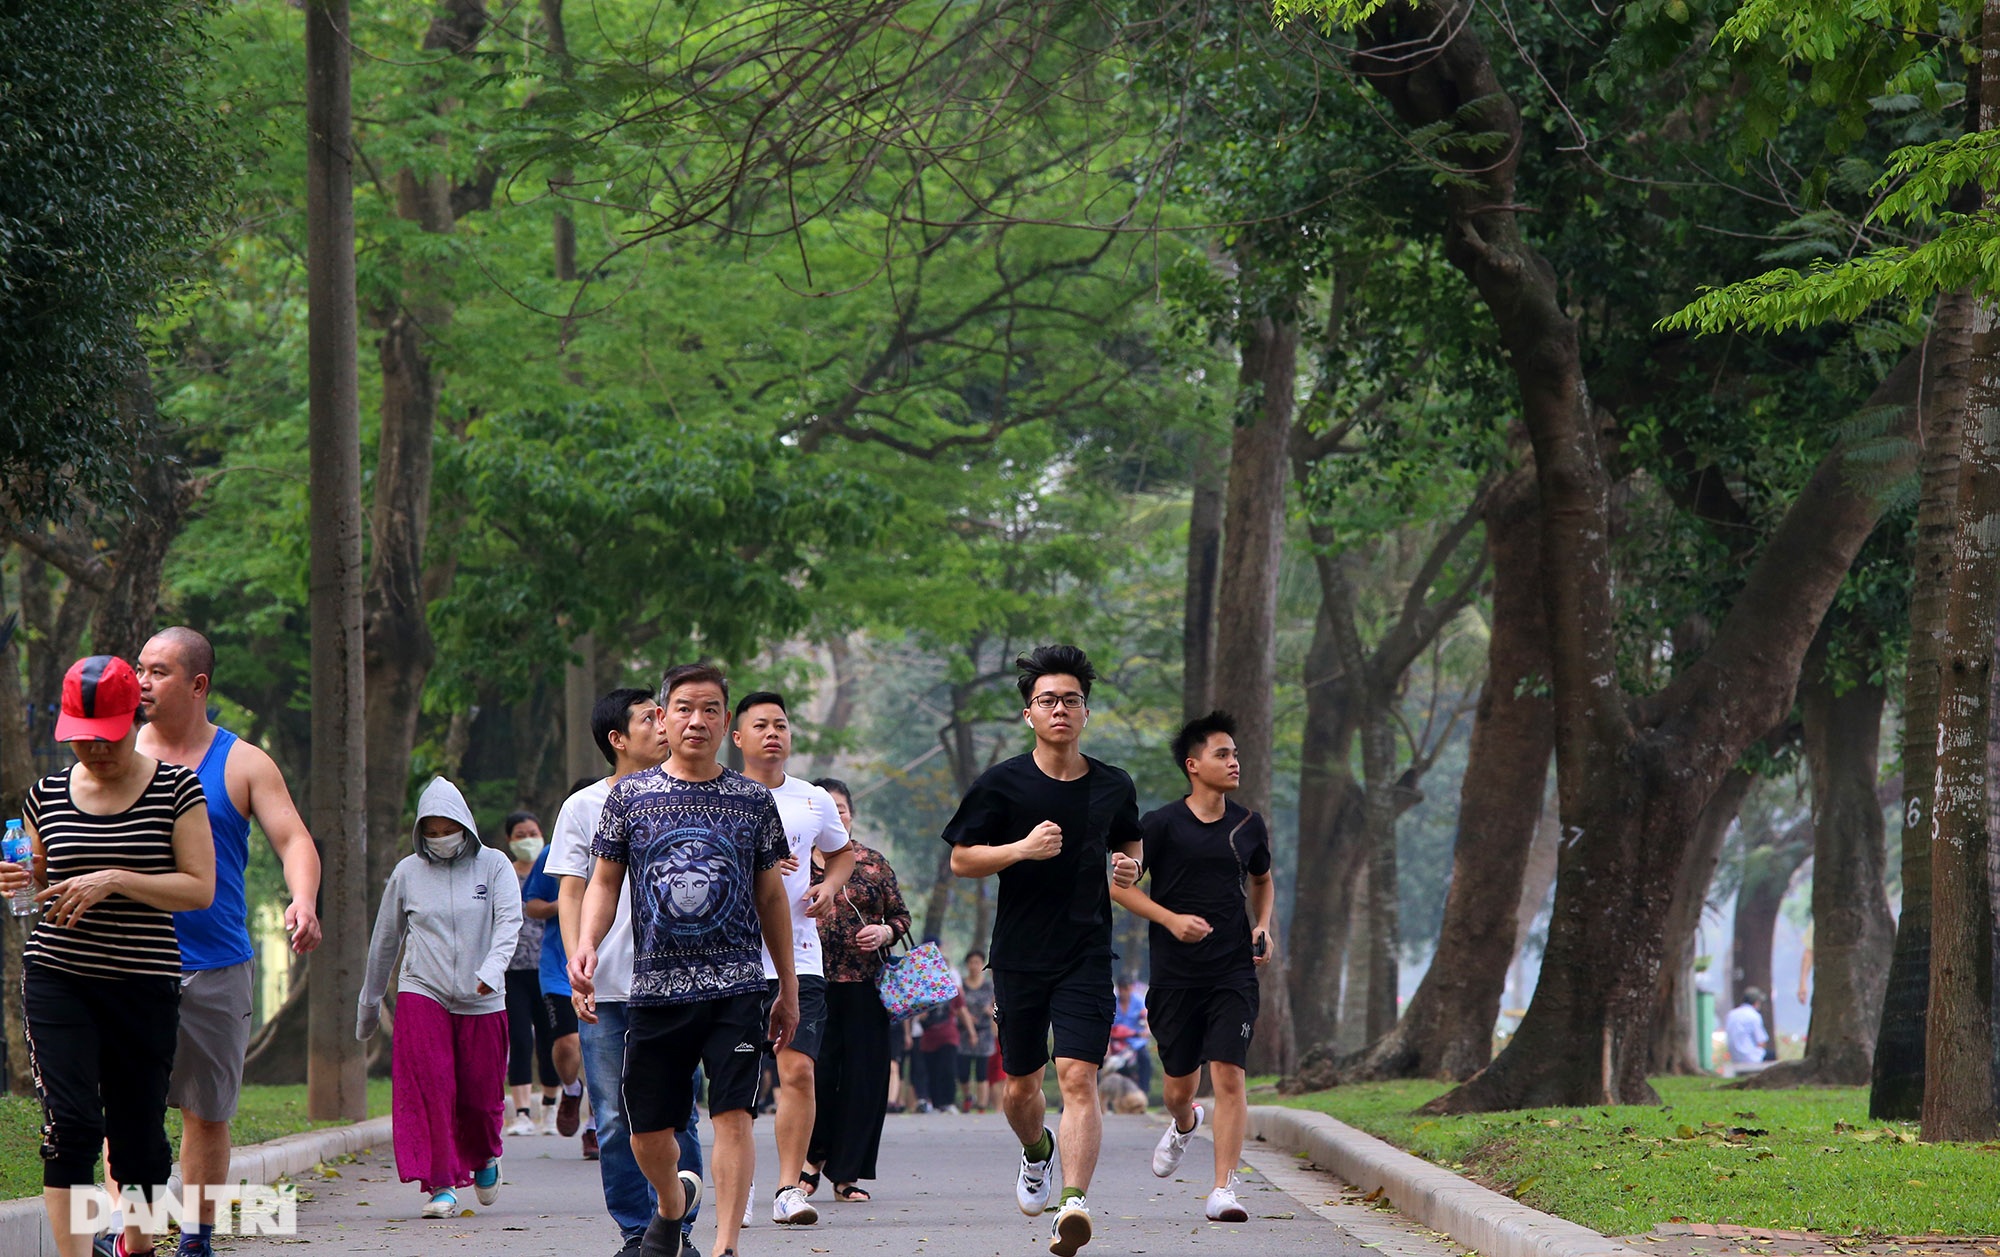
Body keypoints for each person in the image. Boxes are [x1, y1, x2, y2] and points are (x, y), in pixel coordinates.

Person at [571, 664, 800, 1257]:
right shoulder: (629, 797)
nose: (697, 721)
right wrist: (588, 942)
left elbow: (771, 896)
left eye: (710, 710)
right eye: (683, 709)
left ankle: (725, 1246)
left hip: (737, 988)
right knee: (646, 1131)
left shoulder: (752, 800)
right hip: (654, 990)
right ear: (664, 718)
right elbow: (602, 882)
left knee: (732, 1116)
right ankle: (672, 1205)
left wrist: (787, 986)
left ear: (726, 721)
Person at [0, 656, 216, 1257]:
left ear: (132, 719)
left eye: (106, 737)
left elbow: (200, 887)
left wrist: (117, 878)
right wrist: (19, 877)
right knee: (70, 1126)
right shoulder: (43, 796)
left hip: (143, 981)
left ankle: (136, 1245)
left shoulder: (177, 788)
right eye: (80, 739)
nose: (93, 750)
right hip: (60, 977)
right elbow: (38, 875)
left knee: (139, 1133)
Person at [941, 644, 1142, 1257]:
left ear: (1086, 712)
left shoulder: (1113, 784)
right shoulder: (1001, 784)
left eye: (1071, 700)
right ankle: (1036, 1152)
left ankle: (1074, 1202)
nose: (1060, 709)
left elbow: (1131, 844)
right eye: (1047, 700)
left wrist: (1132, 868)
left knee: (1078, 1075)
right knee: (1021, 1086)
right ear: (1029, 713)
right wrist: (1020, 850)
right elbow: (961, 858)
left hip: (1086, 952)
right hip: (1020, 956)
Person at [131, 628, 321, 1257]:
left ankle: (196, 1239)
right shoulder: (120, 752)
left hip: (216, 967)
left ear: (197, 685)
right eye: (139, 669)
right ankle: (129, 1237)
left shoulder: (242, 762)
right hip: (130, 963)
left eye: (158, 672)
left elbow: (293, 839)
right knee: (127, 1113)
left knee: (206, 1114)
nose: (142, 682)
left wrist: (303, 899)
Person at [552, 695, 708, 1257]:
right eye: (650, 718)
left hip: (676, 985)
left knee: (679, 1113)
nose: (665, 725)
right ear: (617, 738)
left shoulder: (696, 794)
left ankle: (678, 1229)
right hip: (610, 986)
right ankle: (637, 1231)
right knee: (615, 1117)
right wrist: (578, 963)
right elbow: (572, 890)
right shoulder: (583, 806)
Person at [1110, 711, 1274, 1223]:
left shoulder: (1248, 824)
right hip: (1176, 975)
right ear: (1193, 765)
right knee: (1180, 1087)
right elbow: (1121, 887)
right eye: (1222, 754)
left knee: (1229, 1073)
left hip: (1232, 971)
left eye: (1235, 753)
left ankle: (1224, 1188)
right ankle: (1184, 1123)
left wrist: (1263, 925)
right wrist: (1171, 920)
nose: (1234, 762)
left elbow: (1263, 879)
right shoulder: (1159, 824)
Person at [357, 777, 523, 1219]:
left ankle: (485, 1154)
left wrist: (491, 970)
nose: (439, 839)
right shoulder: (407, 873)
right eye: (429, 831)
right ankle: (442, 1184)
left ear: (464, 825)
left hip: (482, 995)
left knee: (479, 1096)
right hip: (422, 989)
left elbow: (509, 923)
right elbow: (386, 939)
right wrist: (370, 1002)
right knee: (431, 1089)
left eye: (445, 828)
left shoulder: (495, 866)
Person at [729, 692, 855, 1226]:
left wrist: (828, 885)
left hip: (799, 955)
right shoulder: (719, 795)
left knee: (798, 1071)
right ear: (738, 738)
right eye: (760, 726)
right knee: (735, 1080)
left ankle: (789, 1188)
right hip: (729, 957)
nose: (773, 734)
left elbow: (842, 851)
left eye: (780, 725)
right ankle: (743, 1183)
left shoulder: (812, 799)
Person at [803, 777, 911, 1204]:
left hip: (868, 987)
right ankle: (811, 1162)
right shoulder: (790, 862)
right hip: (812, 985)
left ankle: (847, 1174)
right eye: (826, 807)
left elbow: (901, 915)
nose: (836, 813)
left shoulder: (871, 863)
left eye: (842, 807)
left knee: (865, 1081)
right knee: (815, 1076)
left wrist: (885, 931)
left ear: (851, 814)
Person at [521, 836, 590, 1149]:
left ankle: (596, 1126)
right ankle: (571, 1088)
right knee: (567, 1043)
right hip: (559, 968)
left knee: (605, 1050)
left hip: (609, 968)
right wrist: (565, 903)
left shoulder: (629, 841)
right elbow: (532, 905)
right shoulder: (555, 853)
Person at [503, 811, 562, 1137]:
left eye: (532, 832)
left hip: (549, 967)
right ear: (510, 841)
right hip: (513, 969)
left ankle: (551, 1110)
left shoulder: (552, 868)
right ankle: (522, 1112)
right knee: (520, 1039)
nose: (528, 839)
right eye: (520, 834)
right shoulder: (503, 875)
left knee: (552, 1039)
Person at [911, 940, 974, 1113]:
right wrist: (918, 1017)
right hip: (928, 1037)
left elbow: (962, 1010)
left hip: (948, 1034)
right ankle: (935, 1102)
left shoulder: (952, 988)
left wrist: (971, 1032)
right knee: (930, 1070)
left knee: (948, 1069)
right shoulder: (923, 988)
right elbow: (912, 1011)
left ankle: (948, 1101)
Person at [960, 950, 997, 1112]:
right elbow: (955, 1007)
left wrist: (991, 1013)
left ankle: (982, 1105)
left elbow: (998, 1005)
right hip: (963, 1033)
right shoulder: (961, 985)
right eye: (971, 962)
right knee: (963, 1071)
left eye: (977, 962)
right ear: (967, 964)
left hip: (984, 1033)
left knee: (982, 1071)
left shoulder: (990, 986)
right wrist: (965, 1017)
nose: (974, 966)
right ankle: (968, 1097)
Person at [1110, 974, 1151, 1100]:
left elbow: (1145, 1017)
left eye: (1128, 989)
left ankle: (1143, 1094)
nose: (1125, 992)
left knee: (1145, 1061)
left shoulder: (1138, 1001)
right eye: (1123, 989)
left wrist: (1147, 1029)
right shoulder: (1113, 1002)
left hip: (1135, 1042)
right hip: (1116, 1042)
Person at [1726, 988, 1771, 1075]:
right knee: (1771, 1055)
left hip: (1735, 1057)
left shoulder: (1731, 1014)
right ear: (1757, 1002)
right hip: (1751, 1058)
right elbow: (1761, 1042)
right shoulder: (1754, 1016)